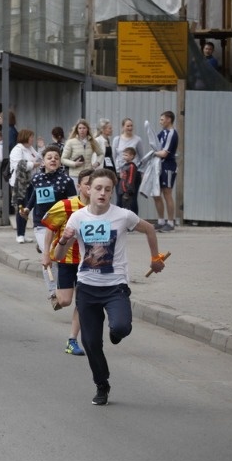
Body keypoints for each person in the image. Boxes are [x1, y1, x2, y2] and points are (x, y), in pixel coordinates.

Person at [52, 169, 165, 405]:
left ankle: (116, 331)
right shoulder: (78, 218)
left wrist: (155, 259)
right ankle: (101, 384)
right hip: (87, 288)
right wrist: (64, 239)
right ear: (88, 190)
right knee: (91, 343)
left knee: (122, 327)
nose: (102, 193)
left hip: (115, 287)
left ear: (112, 192)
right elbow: (59, 255)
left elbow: (150, 229)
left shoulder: (123, 216)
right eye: (98, 188)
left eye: (107, 189)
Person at [40, 168, 93, 356]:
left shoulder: (102, 209)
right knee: (64, 301)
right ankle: (54, 293)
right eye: (87, 183)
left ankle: (72, 340)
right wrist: (46, 253)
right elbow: (49, 228)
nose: (91, 187)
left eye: (94, 184)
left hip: (88, 264)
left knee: (82, 300)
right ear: (79, 186)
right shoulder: (65, 205)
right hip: (66, 260)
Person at [20, 145, 76, 253]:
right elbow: (34, 195)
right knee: (50, 254)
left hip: (60, 222)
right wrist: (27, 208)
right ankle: (42, 246)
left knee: (57, 253)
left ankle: (42, 245)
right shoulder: (36, 178)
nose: (53, 160)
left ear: (60, 162)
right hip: (41, 221)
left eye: (56, 158)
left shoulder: (67, 181)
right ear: (43, 162)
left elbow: (72, 203)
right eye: (49, 158)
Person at [9, 129, 40, 244]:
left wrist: (41, 148)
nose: (33, 139)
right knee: (20, 207)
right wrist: (33, 165)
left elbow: (39, 158)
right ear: (26, 137)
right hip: (20, 184)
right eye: (31, 137)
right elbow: (19, 165)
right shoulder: (17, 150)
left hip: (31, 182)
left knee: (27, 208)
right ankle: (19, 234)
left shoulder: (30, 149)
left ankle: (23, 233)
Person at [153, 110, 179, 232]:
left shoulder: (172, 134)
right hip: (159, 166)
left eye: (162, 119)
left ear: (169, 119)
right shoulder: (162, 133)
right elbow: (154, 145)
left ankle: (170, 222)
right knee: (156, 193)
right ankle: (160, 221)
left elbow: (163, 153)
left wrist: (152, 154)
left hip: (168, 166)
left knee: (167, 193)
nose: (160, 122)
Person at [118, 147, 140, 214]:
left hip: (127, 191)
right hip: (123, 189)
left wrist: (128, 190)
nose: (124, 157)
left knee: (128, 207)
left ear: (132, 156)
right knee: (123, 206)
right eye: (123, 155)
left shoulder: (132, 166)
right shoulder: (125, 165)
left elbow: (131, 178)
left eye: (126, 155)